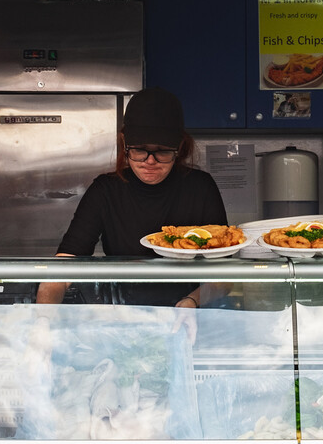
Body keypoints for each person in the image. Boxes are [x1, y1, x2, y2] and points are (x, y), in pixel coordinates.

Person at [36, 87, 226, 306]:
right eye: (139, 150)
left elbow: (225, 278)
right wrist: (42, 321)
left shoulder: (200, 188)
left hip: (191, 313)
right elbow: (62, 269)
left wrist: (192, 302)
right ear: (124, 144)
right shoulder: (106, 190)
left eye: (162, 150)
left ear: (179, 147)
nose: (150, 161)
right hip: (122, 314)